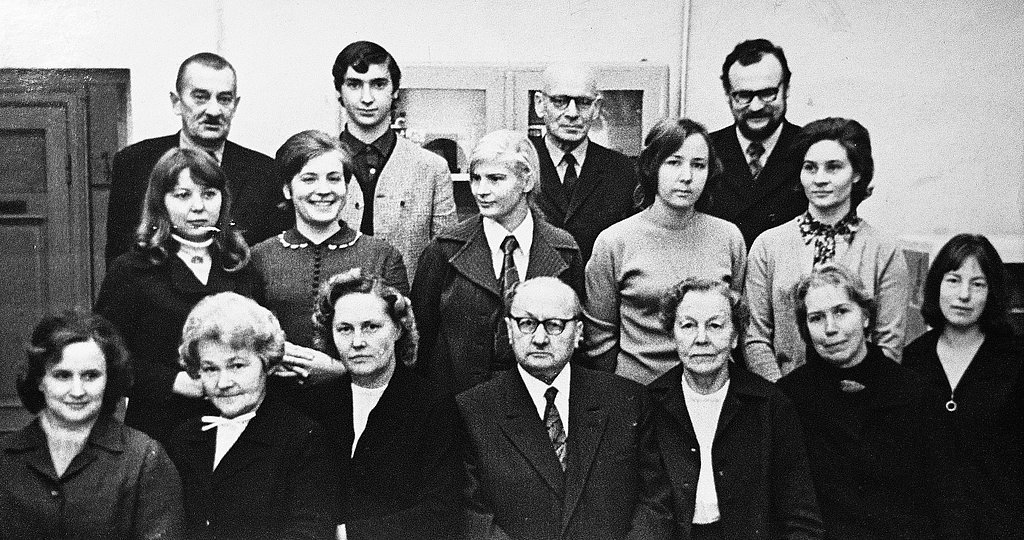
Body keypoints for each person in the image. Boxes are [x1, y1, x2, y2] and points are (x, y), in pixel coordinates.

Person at [458, 276, 673, 539]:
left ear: (579, 332)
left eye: (554, 325)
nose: (539, 339)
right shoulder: (474, 411)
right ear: (509, 330)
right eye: (527, 324)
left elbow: (654, 503)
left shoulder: (627, 402)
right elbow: (473, 516)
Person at [95, 147, 260, 445]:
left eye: (209, 194)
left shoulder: (239, 264)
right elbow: (105, 354)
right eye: (183, 195)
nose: (198, 207)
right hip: (162, 424)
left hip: (238, 421)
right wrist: (174, 381)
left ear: (223, 200)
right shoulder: (132, 269)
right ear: (161, 202)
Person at [778, 264, 956, 539]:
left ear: (864, 316)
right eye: (816, 318)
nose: (830, 329)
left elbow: (945, 499)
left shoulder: (915, 393)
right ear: (805, 328)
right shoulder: (787, 399)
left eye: (841, 311)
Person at [412, 129, 585, 395]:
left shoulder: (564, 250)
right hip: (457, 403)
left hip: (535, 400)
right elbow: (419, 338)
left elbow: (576, 340)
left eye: (495, 179)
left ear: (526, 180)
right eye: (476, 178)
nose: (481, 191)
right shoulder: (445, 249)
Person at [648, 278, 823, 539]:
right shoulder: (650, 405)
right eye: (688, 325)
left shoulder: (770, 405)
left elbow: (801, 516)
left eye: (715, 325)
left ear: (735, 337)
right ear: (673, 335)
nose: (701, 339)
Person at [298, 269, 460, 539]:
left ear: (397, 329)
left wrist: (347, 535)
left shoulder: (432, 405)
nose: (357, 342)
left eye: (371, 327)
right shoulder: (315, 404)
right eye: (345, 329)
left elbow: (441, 512)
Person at [744, 117, 909, 381]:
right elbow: (755, 337)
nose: (820, 179)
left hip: (862, 397)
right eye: (810, 168)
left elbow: (889, 342)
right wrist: (781, 396)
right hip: (783, 394)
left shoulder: (884, 250)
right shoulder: (768, 245)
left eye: (833, 167)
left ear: (857, 173)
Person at [585, 118, 746, 384]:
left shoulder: (728, 237)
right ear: (652, 167)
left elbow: (736, 322)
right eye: (674, 162)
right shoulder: (614, 241)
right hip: (638, 390)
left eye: (698, 165)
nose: (687, 176)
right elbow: (599, 337)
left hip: (710, 388)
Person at [1, 310, 184, 539]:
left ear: (109, 379)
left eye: (91, 376)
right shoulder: (5, 458)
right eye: (62, 375)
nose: (78, 391)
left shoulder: (144, 459)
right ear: (40, 380)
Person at [251, 129, 408, 396]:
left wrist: (340, 370)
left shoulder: (382, 256)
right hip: (278, 402)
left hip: (363, 400)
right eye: (309, 179)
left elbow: (403, 346)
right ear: (287, 189)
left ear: (346, 186)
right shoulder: (259, 257)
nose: (323, 190)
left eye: (334, 179)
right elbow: (246, 342)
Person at [168, 292, 335, 540]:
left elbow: (309, 532)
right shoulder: (185, 437)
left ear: (267, 363)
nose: (223, 383)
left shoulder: (302, 438)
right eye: (210, 369)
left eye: (237, 365)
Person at [105, 52, 288, 264]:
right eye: (201, 97)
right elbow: (119, 255)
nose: (214, 111)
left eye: (224, 99)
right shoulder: (134, 163)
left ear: (235, 106)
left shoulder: (265, 172)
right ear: (176, 102)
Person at [903, 234, 1023, 538]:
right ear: (937, 286)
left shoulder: (1014, 359)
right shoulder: (913, 360)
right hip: (927, 528)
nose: (964, 295)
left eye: (978, 284)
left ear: (992, 293)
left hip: (1002, 525)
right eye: (953, 280)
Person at [333, 41, 456, 281]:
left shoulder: (431, 168)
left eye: (378, 84)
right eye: (354, 84)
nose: (367, 98)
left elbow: (447, 258)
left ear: (395, 90)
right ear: (339, 91)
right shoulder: (315, 165)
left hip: (407, 302)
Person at [701, 39, 806, 248]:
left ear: (786, 89)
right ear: (728, 95)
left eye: (767, 93)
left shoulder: (811, 149)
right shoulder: (705, 150)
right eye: (743, 95)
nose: (756, 106)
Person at [530, 62, 640, 261]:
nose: (572, 113)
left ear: (596, 108)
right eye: (560, 101)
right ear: (540, 104)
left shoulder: (622, 170)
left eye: (583, 102)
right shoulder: (521, 164)